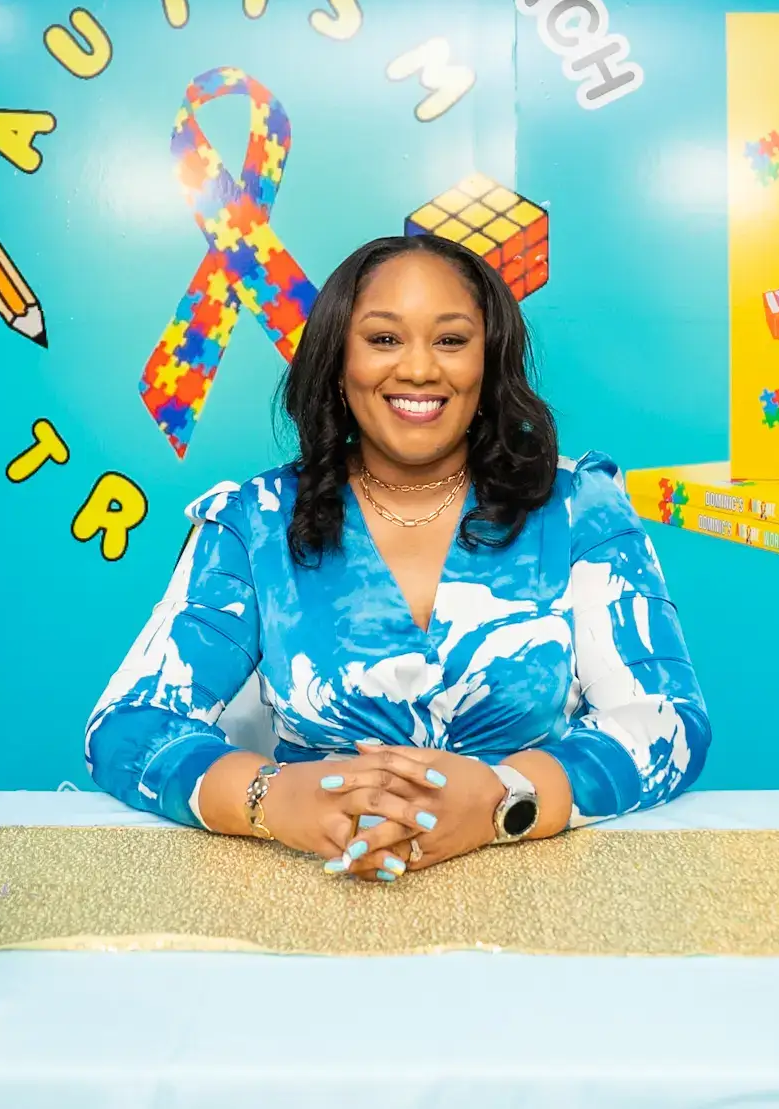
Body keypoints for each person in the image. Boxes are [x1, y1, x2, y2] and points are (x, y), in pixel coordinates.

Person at [86, 234, 710, 881]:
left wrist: (506, 798)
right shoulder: (256, 520)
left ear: (489, 363)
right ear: (337, 361)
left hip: (539, 888)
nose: (418, 370)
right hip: (312, 894)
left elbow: (666, 718)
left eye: (450, 340)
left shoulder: (581, 507)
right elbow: (128, 726)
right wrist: (269, 798)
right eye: (384, 339)